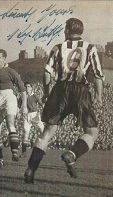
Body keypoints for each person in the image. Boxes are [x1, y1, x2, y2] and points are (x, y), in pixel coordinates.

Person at [24, 18, 104, 184]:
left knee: (47, 132)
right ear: (81, 31)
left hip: (60, 89)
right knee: (91, 132)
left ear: (67, 31)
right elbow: (97, 74)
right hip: (81, 90)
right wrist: (98, 95)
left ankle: (31, 169)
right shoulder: (90, 48)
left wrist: (46, 93)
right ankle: (72, 154)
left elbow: (47, 73)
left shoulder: (58, 47)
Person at [19, 82, 44, 158]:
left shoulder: (35, 96)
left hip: (34, 114)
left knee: (42, 130)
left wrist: (44, 108)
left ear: (31, 88)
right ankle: (24, 153)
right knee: (26, 133)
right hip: (26, 115)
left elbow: (41, 104)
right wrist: (17, 112)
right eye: (26, 86)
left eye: (28, 86)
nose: (27, 88)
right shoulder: (23, 97)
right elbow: (18, 105)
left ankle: (43, 148)